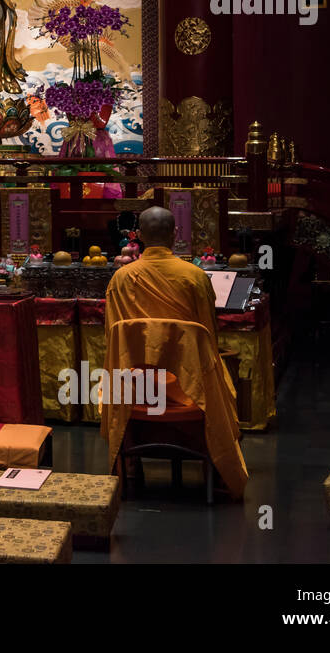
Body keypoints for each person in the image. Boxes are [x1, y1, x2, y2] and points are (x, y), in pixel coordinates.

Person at [102, 205, 248, 497]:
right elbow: (207, 336)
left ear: (139, 235)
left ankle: (129, 467)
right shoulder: (193, 276)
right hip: (189, 391)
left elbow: (113, 338)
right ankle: (216, 469)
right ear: (176, 233)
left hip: (136, 390)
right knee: (222, 380)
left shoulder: (122, 278)